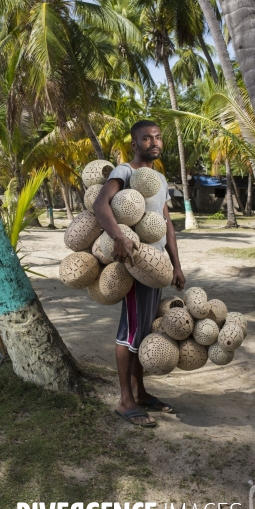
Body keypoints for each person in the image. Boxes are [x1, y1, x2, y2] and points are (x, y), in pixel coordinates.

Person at [93, 119, 186, 427]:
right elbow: (100, 203)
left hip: (156, 266)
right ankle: (125, 400)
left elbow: (166, 223)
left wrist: (176, 264)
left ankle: (140, 391)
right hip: (134, 266)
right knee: (130, 333)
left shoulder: (158, 178)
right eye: (146, 138)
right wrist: (119, 236)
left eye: (157, 137)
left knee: (144, 331)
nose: (154, 142)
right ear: (134, 144)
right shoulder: (125, 172)